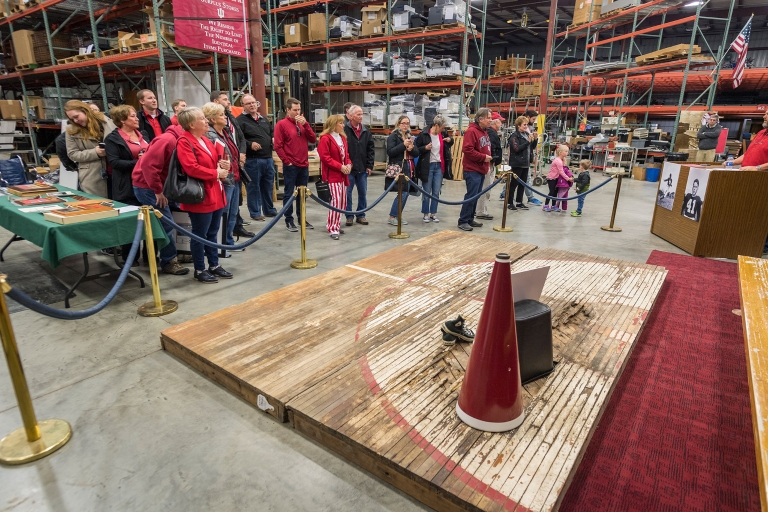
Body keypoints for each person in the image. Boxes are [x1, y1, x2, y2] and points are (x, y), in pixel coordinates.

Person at [175, 107, 231, 284]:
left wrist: (223, 165)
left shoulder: (205, 140)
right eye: (202, 119)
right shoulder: (184, 141)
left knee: (213, 232)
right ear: (191, 124)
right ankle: (200, 269)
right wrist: (216, 173)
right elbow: (191, 167)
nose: (206, 121)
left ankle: (214, 265)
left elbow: (213, 162)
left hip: (215, 191)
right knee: (199, 234)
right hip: (201, 195)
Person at [131, 118, 190, 275]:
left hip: (166, 186)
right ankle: (169, 260)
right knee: (167, 223)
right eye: (202, 120)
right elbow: (148, 165)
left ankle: (180, 253)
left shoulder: (183, 139)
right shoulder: (167, 140)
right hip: (149, 187)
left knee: (178, 218)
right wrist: (157, 190)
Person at [104, 104, 150, 266]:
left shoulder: (143, 134)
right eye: (132, 116)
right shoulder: (112, 138)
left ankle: (150, 255)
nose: (137, 118)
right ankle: (130, 257)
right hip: (126, 186)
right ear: (122, 120)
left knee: (150, 222)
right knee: (130, 223)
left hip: (146, 184)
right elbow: (115, 163)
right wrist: (138, 162)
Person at [202, 102, 243, 249]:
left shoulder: (225, 132)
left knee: (232, 213)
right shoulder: (211, 136)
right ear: (212, 119)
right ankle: (221, 245)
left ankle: (228, 241)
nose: (225, 117)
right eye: (221, 115)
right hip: (224, 180)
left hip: (234, 177)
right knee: (223, 215)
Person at [274, 97, 316, 232]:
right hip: (291, 165)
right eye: (295, 110)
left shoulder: (302, 124)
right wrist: (287, 162)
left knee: (302, 194)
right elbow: (278, 146)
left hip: (303, 164)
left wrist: (306, 125)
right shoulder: (281, 125)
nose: (298, 113)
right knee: (289, 193)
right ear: (288, 110)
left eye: (299, 109)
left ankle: (302, 218)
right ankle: (289, 220)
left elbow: (313, 139)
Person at [237, 94, 277, 224]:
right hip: (253, 160)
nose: (252, 105)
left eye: (254, 102)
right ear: (243, 106)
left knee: (268, 185)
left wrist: (272, 138)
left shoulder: (264, 119)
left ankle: (269, 209)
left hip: (268, 158)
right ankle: (255, 212)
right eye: (248, 103)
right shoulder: (240, 121)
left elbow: (271, 132)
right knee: (253, 187)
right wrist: (250, 144)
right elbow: (239, 139)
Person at [64, 99, 116, 197]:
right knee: (99, 206)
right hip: (92, 176)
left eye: (76, 116)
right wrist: (95, 153)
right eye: (72, 119)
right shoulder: (71, 131)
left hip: (115, 173)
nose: (75, 121)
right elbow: (72, 154)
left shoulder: (107, 122)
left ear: (85, 110)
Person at [317, 115, 351, 240]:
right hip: (332, 176)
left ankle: (336, 224)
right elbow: (325, 158)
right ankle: (332, 228)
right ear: (333, 124)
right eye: (340, 123)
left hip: (342, 175)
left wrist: (348, 164)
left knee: (342, 202)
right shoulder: (325, 139)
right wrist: (340, 166)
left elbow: (346, 154)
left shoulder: (342, 138)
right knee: (335, 202)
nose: (343, 125)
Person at [458, 108, 492, 231]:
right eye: (488, 117)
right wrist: (483, 157)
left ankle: (470, 218)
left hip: (481, 169)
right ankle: (463, 220)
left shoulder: (484, 132)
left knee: (476, 196)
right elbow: (467, 150)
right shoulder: (472, 131)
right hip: (472, 169)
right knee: (471, 195)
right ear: (480, 119)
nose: (490, 120)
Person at [415, 114, 452, 223]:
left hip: (439, 166)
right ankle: (425, 213)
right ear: (436, 125)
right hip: (428, 166)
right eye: (442, 127)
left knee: (436, 191)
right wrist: (425, 148)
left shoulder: (443, 134)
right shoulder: (424, 135)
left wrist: (450, 140)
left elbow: (451, 141)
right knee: (427, 191)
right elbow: (416, 150)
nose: (443, 129)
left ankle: (433, 213)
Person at [343, 105, 374, 227]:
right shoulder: (344, 130)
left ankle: (361, 215)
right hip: (349, 169)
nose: (361, 117)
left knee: (362, 193)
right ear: (350, 116)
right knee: (348, 193)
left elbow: (370, 149)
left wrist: (369, 166)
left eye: (362, 114)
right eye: (358, 114)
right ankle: (349, 216)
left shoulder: (366, 131)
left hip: (362, 168)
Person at [385, 115, 419, 225]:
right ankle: (392, 216)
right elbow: (390, 152)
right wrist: (403, 145)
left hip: (409, 167)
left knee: (406, 192)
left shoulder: (410, 136)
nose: (405, 125)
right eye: (403, 123)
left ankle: (397, 215)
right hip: (398, 167)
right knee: (403, 192)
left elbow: (416, 153)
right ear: (399, 124)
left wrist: (411, 148)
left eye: (407, 123)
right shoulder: (393, 136)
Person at [476, 112, 503, 220]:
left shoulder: (491, 132)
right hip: (489, 163)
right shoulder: (491, 133)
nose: (501, 123)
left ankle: (481, 209)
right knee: (486, 188)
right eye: (500, 121)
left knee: (485, 188)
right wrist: (492, 160)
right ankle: (481, 211)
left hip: (491, 163)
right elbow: (490, 148)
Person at [507, 115, 536, 211]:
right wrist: (528, 142)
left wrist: (534, 139)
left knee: (522, 184)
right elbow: (516, 149)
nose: (526, 126)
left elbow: (532, 147)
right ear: (518, 125)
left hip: (526, 163)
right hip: (517, 163)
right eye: (524, 125)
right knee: (514, 184)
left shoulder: (527, 135)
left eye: (527, 125)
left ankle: (519, 202)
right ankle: (510, 202)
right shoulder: (514, 136)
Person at [543, 145, 572, 212]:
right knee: (551, 192)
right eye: (566, 151)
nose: (567, 153)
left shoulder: (561, 160)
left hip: (556, 178)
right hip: (551, 178)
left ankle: (553, 206)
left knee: (555, 192)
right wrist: (568, 179)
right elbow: (561, 172)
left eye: (567, 151)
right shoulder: (558, 161)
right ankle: (546, 205)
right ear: (560, 152)